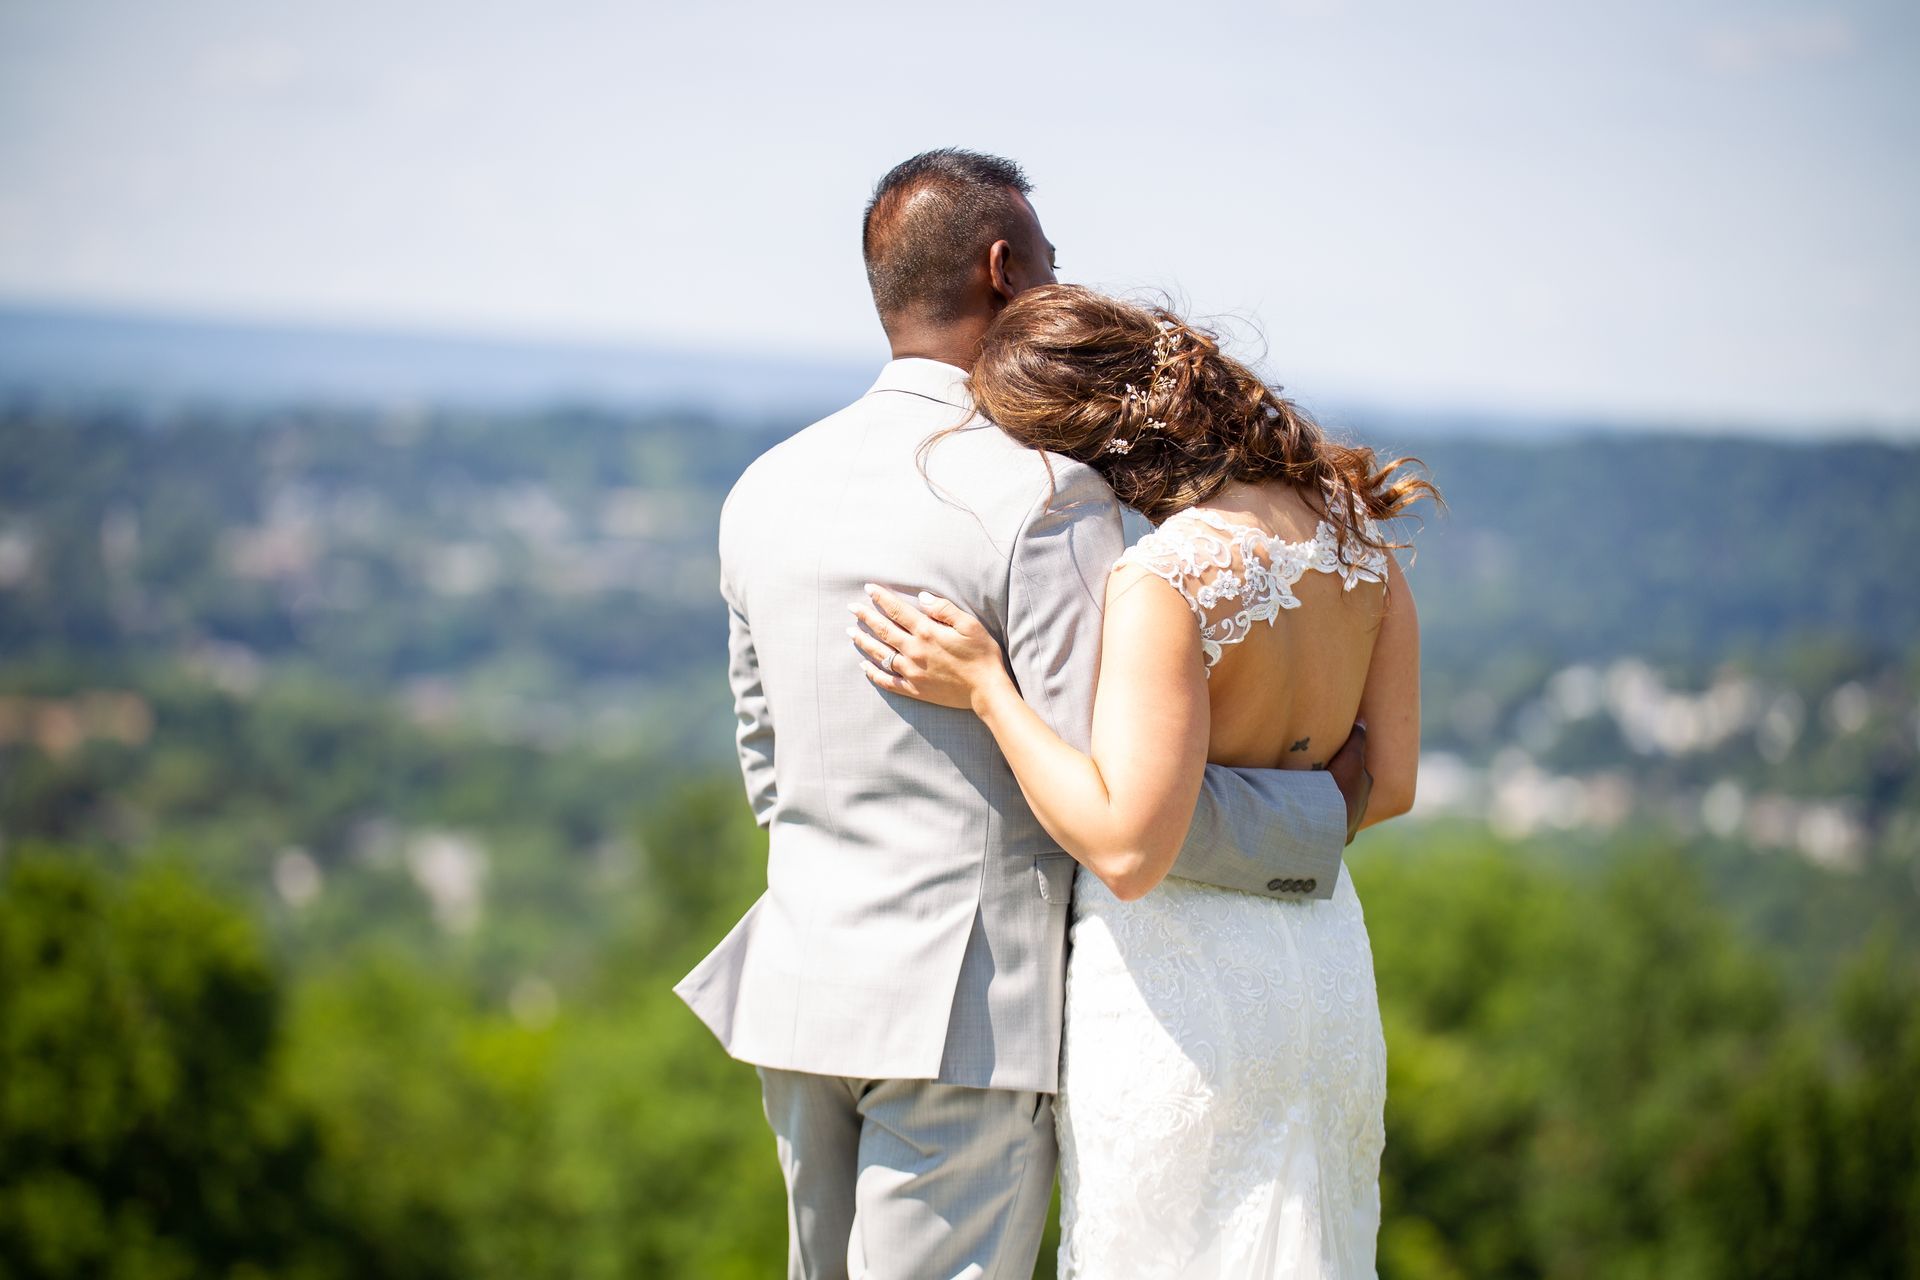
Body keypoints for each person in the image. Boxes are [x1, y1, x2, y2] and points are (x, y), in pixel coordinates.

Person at [674, 148, 1371, 1279]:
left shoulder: (764, 486)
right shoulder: (1043, 495)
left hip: (800, 989)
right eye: (1052, 261)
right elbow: (1110, 798)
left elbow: (764, 757)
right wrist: (1314, 814)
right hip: (968, 1018)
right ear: (1005, 271)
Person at [848, 284, 1434, 1277]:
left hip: (1183, 989)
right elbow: (1393, 783)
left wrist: (989, 689)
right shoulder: (1354, 533)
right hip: (1323, 974)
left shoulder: (1167, 576)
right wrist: (1294, 815)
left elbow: (1127, 847)